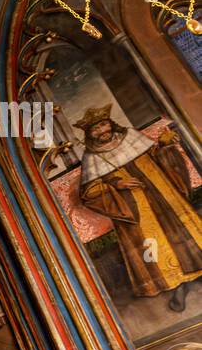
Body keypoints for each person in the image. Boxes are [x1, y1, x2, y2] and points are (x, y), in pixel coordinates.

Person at [75, 107, 202, 312]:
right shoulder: (91, 158)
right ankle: (177, 285)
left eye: (103, 124)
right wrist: (116, 184)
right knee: (154, 244)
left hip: (163, 192)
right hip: (133, 206)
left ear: (110, 123)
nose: (102, 130)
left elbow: (156, 155)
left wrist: (164, 144)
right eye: (95, 129)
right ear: (89, 134)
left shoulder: (132, 136)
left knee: (185, 229)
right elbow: (89, 193)